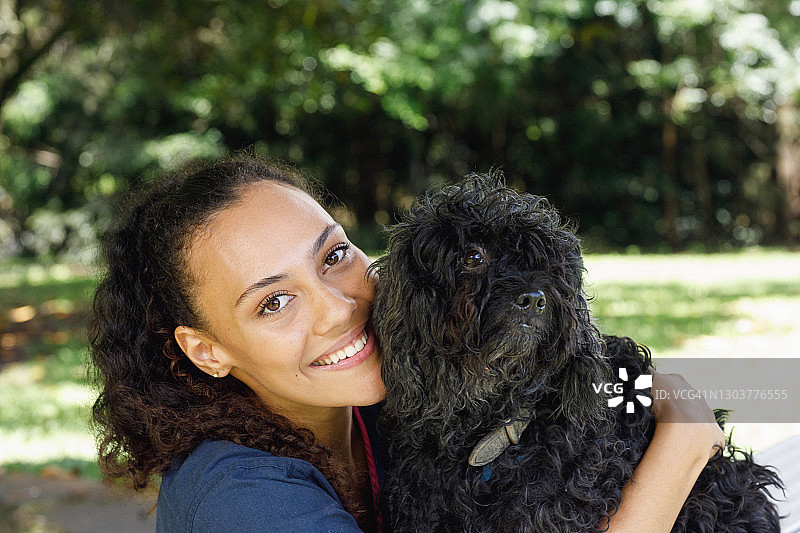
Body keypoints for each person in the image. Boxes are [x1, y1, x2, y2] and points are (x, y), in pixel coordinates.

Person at [88, 154, 724, 532]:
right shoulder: (241, 501)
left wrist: (654, 388)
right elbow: (689, 422)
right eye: (273, 302)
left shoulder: (386, 399)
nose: (341, 307)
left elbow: (581, 377)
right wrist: (684, 441)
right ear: (207, 351)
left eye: (335, 255)